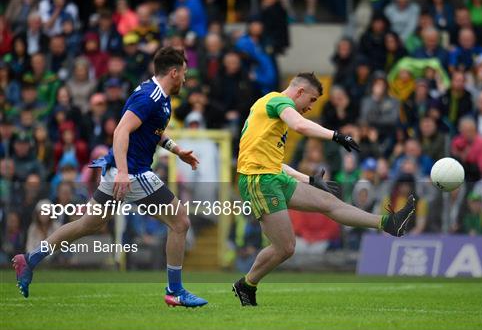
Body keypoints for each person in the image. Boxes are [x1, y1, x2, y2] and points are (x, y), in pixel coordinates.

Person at [12, 47, 208, 308]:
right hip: (133, 172)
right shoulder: (149, 97)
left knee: (88, 224)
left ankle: (30, 259)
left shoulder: (158, 95)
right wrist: (125, 173)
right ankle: (175, 290)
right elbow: (120, 131)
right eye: (183, 73)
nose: (185, 79)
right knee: (181, 221)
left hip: (119, 170)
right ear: (173, 72)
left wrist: (176, 149)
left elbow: (152, 130)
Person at [231, 72, 416, 306]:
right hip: (258, 180)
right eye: (312, 100)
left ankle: (388, 223)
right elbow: (300, 126)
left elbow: (275, 163)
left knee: (328, 203)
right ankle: (246, 284)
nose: (310, 107)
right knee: (286, 247)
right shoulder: (277, 101)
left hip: (272, 176)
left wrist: (308, 180)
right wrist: (336, 136)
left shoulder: (272, 112)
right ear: (300, 92)